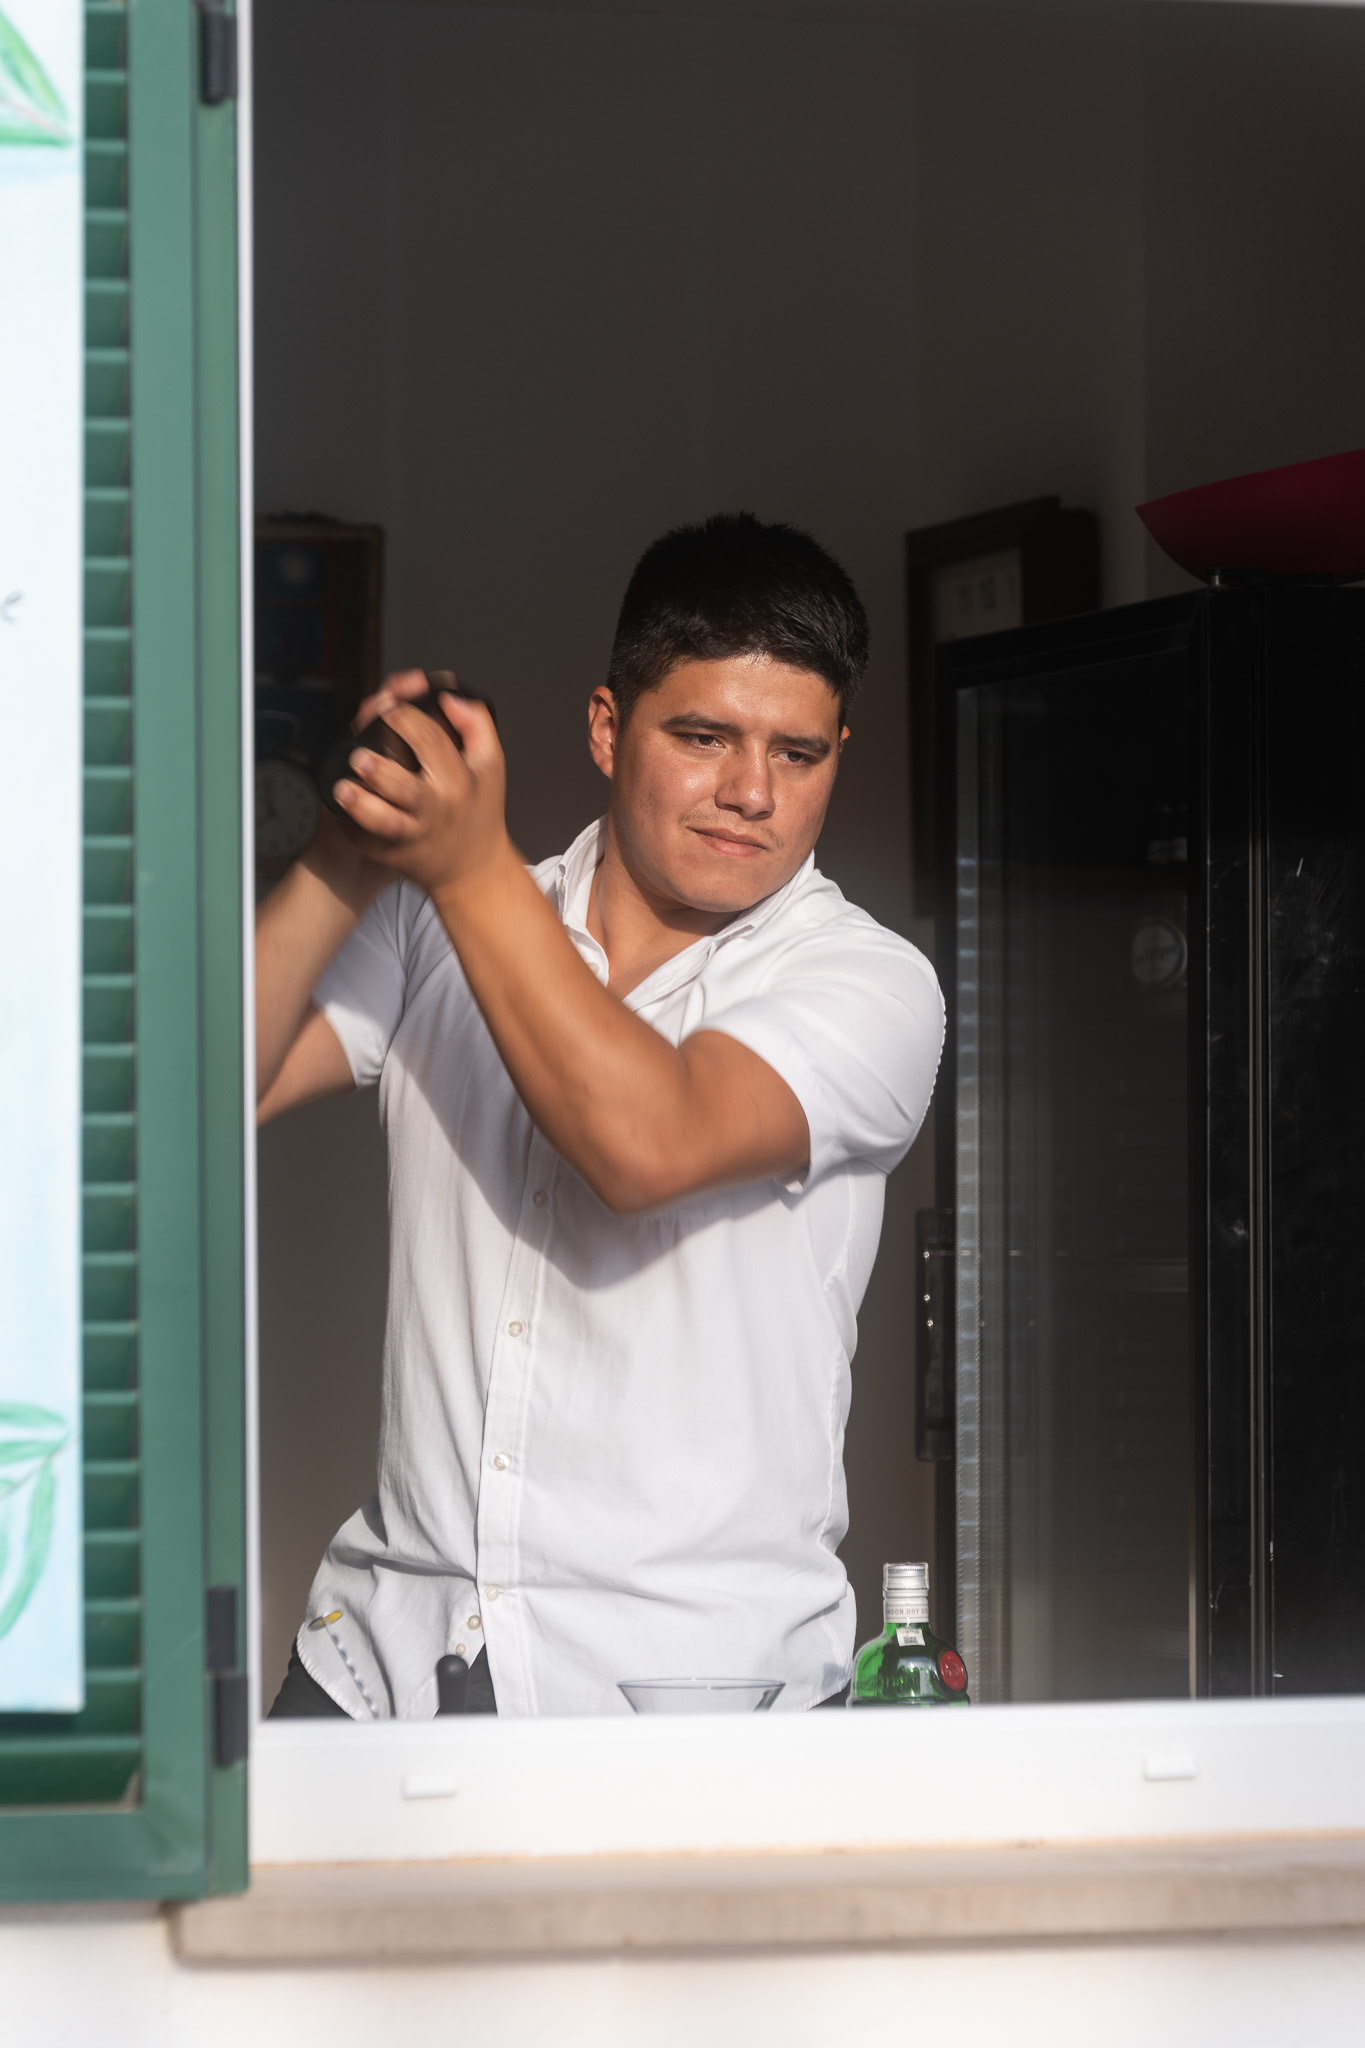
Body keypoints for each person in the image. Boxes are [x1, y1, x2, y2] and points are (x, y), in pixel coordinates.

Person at [257, 511, 943, 1719]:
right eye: (704, 736)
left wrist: (464, 866)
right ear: (607, 728)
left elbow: (646, 1142)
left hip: (700, 1704)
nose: (751, 792)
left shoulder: (874, 982)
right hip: (381, 1671)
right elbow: (188, 1099)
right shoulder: (439, 927)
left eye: (797, 752)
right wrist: (346, 853)